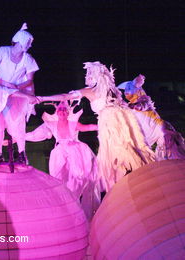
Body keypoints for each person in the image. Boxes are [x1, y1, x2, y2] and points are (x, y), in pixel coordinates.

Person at [38, 62, 155, 191]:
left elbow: (65, 96)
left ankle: (124, 187)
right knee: (124, 154)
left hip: (111, 124)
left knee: (112, 160)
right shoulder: (111, 91)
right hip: (120, 122)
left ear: (95, 76)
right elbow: (122, 106)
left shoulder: (91, 91)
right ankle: (135, 182)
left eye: (88, 74)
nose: (86, 77)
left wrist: (41, 98)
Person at [25, 101, 100, 220]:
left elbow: (87, 127)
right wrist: (19, 138)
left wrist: (102, 126)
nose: (62, 112)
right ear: (56, 112)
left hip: (76, 152)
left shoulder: (73, 123)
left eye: (64, 109)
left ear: (68, 112)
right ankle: (67, 206)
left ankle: (78, 206)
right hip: (60, 153)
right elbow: (36, 134)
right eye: (60, 109)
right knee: (60, 180)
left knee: (78, 178)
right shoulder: (52, 124)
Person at [0, 22, 39, 166]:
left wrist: (16, 87)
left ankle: (22, 153)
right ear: (19, 41)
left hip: (16, 94)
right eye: (28, 42)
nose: (30, 45)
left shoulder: (28, 59)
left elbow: (30, 80)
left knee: (17, 122)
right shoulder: (3, 52)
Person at [118, 74, 185, 160]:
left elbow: (142, 106)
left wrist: (131, 106)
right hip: (150, 132)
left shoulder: (144, 99)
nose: (126, 92)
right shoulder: (131, 104)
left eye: (128, 89)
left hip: (160, 129)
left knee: (168, 153)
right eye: (126, 90)